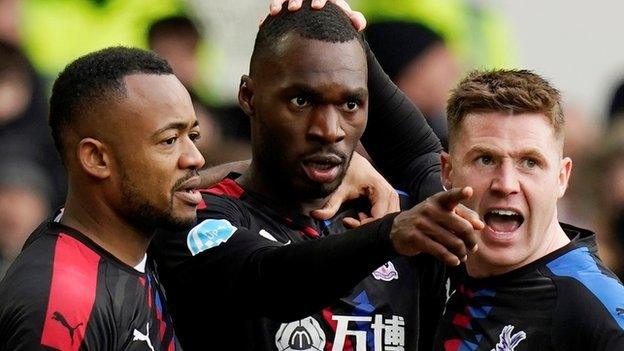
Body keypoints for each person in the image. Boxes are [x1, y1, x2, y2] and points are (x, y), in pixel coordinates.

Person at [150, 1, 483, 350]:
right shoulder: (193, 214)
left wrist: (348, 35)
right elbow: (270, 279)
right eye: (301, 101)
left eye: (350, 105)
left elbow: (420, 158)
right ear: (249, 96)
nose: (329, 130)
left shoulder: (405, 217)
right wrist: (387, 237)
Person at [0, 47, 203, 350]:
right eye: (170, 140)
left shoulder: (130, 246)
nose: (196, 158)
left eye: (193, 136)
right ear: (96, 158)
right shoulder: (64, 301)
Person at [433, 69, 624, 350]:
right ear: (447, 172)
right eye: (485, 159)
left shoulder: (597, 307)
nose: (506, 184)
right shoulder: (434, 267)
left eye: (530, 162)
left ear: (562, 178)